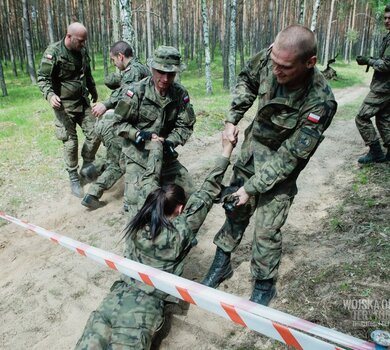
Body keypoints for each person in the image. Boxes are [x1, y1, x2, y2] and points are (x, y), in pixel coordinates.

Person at [201, 25, 338, 306]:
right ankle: (221, 262)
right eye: (273, 62)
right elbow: (247, 80)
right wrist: (232, 119)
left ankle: (263, 284)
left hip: (281, 167)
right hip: (252, 152)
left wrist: (251, 189)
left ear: (309, 63)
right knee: (235, 211)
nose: (276, 71)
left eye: (285, 67)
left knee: (267, 227)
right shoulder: (272, 57)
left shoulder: (320, 101)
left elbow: (290, 156)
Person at [75, 132, 236, 349]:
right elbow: (207, 190)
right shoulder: (180, 231)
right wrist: (226, 150)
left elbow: (149, 177)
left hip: (113, 300)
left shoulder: (139, 216)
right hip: (142, 314)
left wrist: (156, 147)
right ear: (180, 209)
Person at [113, 45, 196, 217]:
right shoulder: (135, 92)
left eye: (171, 74)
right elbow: (118, 123)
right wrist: (137, 134)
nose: (165, 79)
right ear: (152, 69)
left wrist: (171, 141)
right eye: (161, 72)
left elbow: (185, 125)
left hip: (165, 156)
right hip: (138, 156)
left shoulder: (180, 94)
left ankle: (179, 236)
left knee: (191, 195)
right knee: (137, 205)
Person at [81, 42, 150, 210]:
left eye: (113, 60)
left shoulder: (133, 71)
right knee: (119, 163)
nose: (114, 64)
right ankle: (93, 194)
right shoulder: (139, 69)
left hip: (115, 123)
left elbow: (126, 95)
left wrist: (106, 103)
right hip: (116, 125)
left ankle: (89, 172)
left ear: (121, 56)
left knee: (115, 157)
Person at [37, 22, 100, 198]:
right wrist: (50, 96)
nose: (83, 44)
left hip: (82, 101)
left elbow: (86, 73)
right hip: (64, 106)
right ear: (69, 36)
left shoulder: (82, 51)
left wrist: (93, 90)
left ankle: (88, 164)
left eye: (84, 41)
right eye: (80, 40)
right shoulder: (54, 52)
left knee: (96, 133)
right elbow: (42, 78)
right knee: (70, 143)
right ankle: (73, 176)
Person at [355, 4, 390, 164]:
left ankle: (376, 152)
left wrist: (367, 60)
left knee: (361, 117)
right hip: (386, 87)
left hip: (383, 88)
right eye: (385, 18)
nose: (387, 21)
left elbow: (386, 65)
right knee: (383, 118)